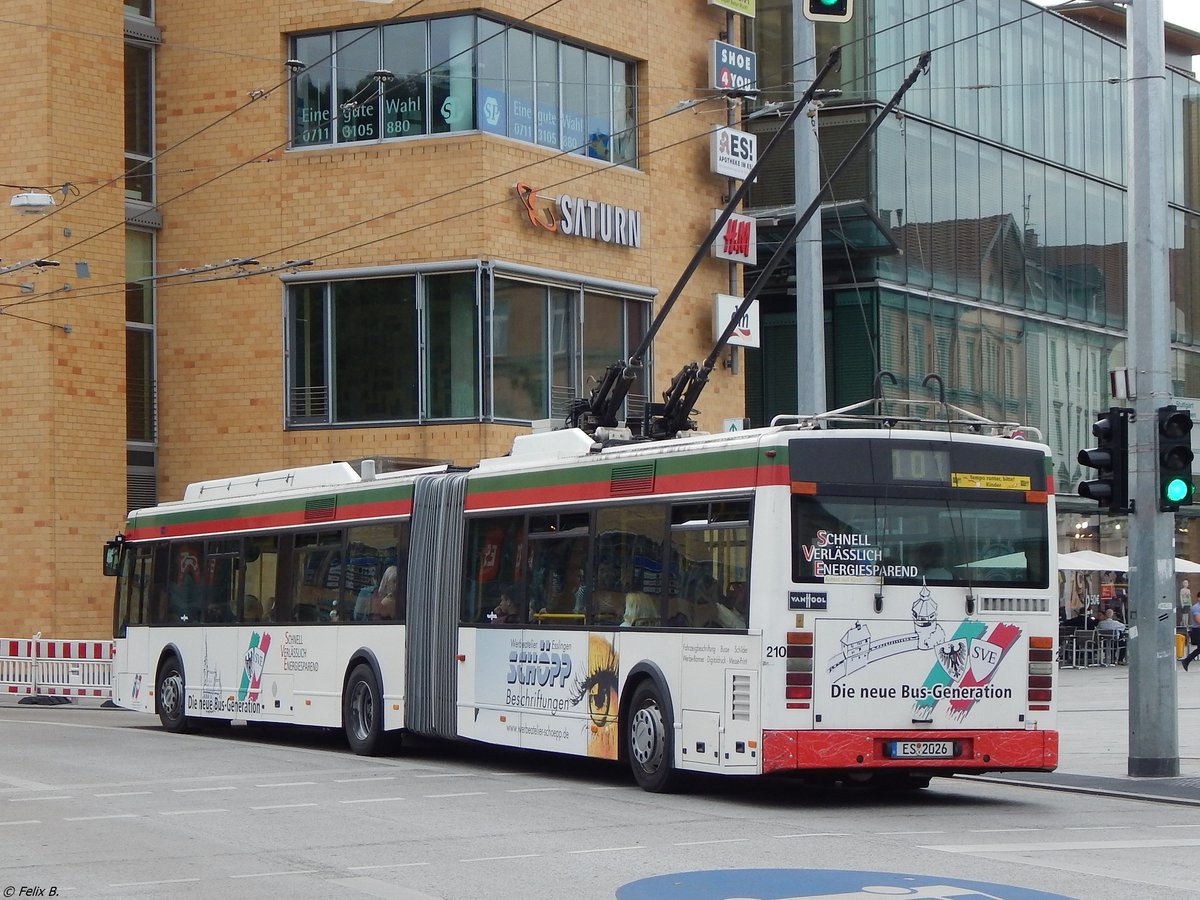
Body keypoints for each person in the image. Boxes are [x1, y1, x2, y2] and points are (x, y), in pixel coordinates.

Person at [1183, 593, 1200, 672]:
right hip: (1197, 631)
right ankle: (1186, 660)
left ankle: (1186, 661)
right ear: (1198, 598)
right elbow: (1198, 620)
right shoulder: (1196, 608)